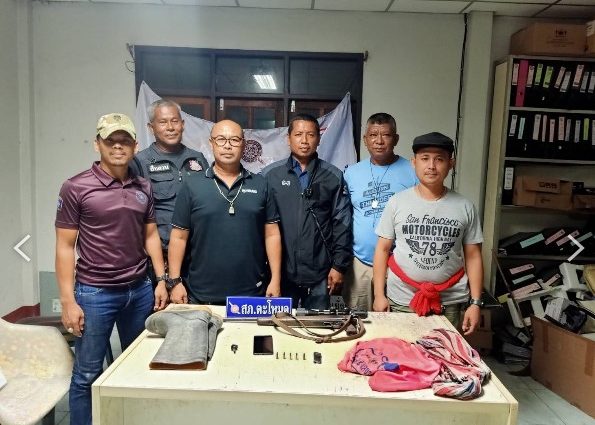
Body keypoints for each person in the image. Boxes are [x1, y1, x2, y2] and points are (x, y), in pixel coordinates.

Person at [55, 113, 168, 425]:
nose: (118, 146)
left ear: (135, 146)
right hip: (95, 293)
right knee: (87, 374)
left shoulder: (143, 186)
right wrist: (67, 300)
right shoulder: (76, 187)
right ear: (97, 144)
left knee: (137, 365)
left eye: (124, 141)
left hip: (139, 290)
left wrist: (160, 279)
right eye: (110, 140)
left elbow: (150, 235)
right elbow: (64, 246)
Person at [372, 132, 483, 335]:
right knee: (403, 352)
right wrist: (379, 295)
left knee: (445, 352)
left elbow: (474, 256)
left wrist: (475, 303)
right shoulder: (397, 202)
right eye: (424, 158)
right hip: (403, 300)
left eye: (439, 159)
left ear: (451, 164)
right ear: (414, 162)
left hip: (450, 301)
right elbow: (382, 249)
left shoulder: (465, 206)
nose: (431, 166)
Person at [167, 119, 282, 304]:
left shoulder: (261, 184)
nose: (227, 146)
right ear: (211, 143)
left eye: (234, 140)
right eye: (221, 139)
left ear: (243, 144)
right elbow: (179, 237)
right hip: (200, 293)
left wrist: (275, 279)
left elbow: (272, 235)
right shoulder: (192, 185)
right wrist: (174, 281)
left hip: (252, 293)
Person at [262, 113, 352, 310]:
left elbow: (342, 224)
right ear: (288, 138)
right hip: (280, 273)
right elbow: (260, 225)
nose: (304, 140)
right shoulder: (270, 176)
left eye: (310, 135)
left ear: (318, 139)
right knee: (280, 324)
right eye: (298, 134)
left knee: (319, 325)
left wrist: (339, 266)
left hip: (321, 273)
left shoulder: (333, 176)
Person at [342, 113, 417, 311]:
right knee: (358, 320)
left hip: (399, 264)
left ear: (396, 139)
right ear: (365, 139)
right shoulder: (351, 173)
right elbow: (342, 218)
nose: (379, 141)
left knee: (398, 321)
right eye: (373, 135)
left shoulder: (413, 171)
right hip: (360, 263)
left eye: (386, 135)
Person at [130, 99, 208, 276]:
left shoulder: (198, 159)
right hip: (159, 256)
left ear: (183, 124)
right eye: (163, 122)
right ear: (151, 128)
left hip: (196, 254)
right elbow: (132, 214)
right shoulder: (140, 162)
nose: (170, 127)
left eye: (174, 121)